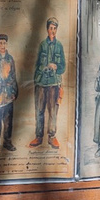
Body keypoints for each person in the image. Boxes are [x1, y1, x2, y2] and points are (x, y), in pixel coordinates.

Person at [32, 19, 66, 147]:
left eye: (54, 28)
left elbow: (63, 67)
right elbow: (35, 65)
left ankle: (52, 137)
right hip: (41, 83)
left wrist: (56, 66)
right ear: (47, 29)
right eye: (51, 28)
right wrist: (39, 74)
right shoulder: (42, 45)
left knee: (53, 111)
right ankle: (38, 137)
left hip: (53, 84)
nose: (52, 31)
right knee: (39, 110)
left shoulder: (59, 46)